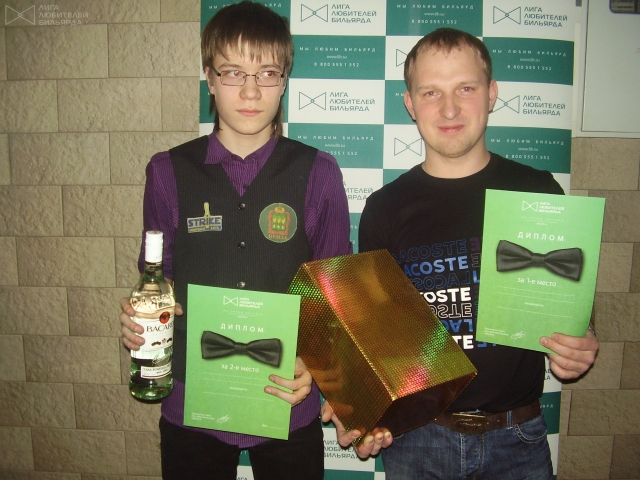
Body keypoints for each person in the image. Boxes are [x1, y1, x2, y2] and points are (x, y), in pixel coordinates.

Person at [321, 28, 599, 479]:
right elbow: (374, 338)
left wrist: (580, 341)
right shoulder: (384, 208)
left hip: (518, 441)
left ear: (491, 94)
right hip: (418, 440)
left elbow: (574, 306)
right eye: (431, 92)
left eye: (465, 88)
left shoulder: (538, 190)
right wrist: (365, 409)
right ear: (410, 104)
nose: (449, 109)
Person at [119, 2, 351, 479]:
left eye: (267, 73)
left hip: (288, 402)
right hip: (191, 404)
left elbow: (334, 291)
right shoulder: (167, 172)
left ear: (284, 81)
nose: (250, 91)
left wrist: (314, 362)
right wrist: (143, 318)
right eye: (232, 72)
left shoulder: (319, 172)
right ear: (209, 77)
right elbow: (158, 278)